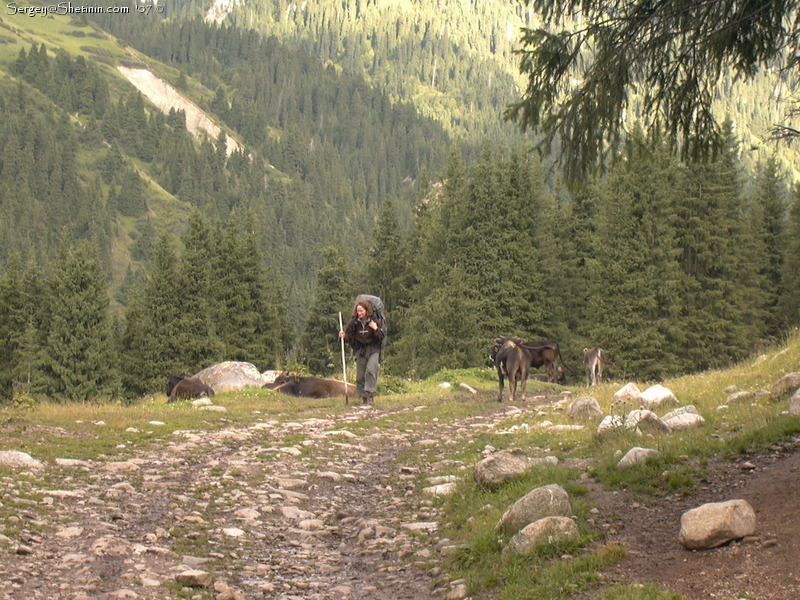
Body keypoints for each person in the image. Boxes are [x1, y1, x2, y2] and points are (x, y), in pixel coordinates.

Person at [339, 299, 384, 405]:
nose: (359, 313)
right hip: (361, 350)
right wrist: (343, 336)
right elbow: (349, 337)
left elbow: (381, 337)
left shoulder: (374, 321)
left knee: (371, 371)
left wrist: (375, 328)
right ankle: (363, 397)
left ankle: (370, 395)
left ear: (366, 310)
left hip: (373, 349)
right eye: (358, 311)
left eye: (361, 311)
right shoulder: (354, 322)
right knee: (360, 376)